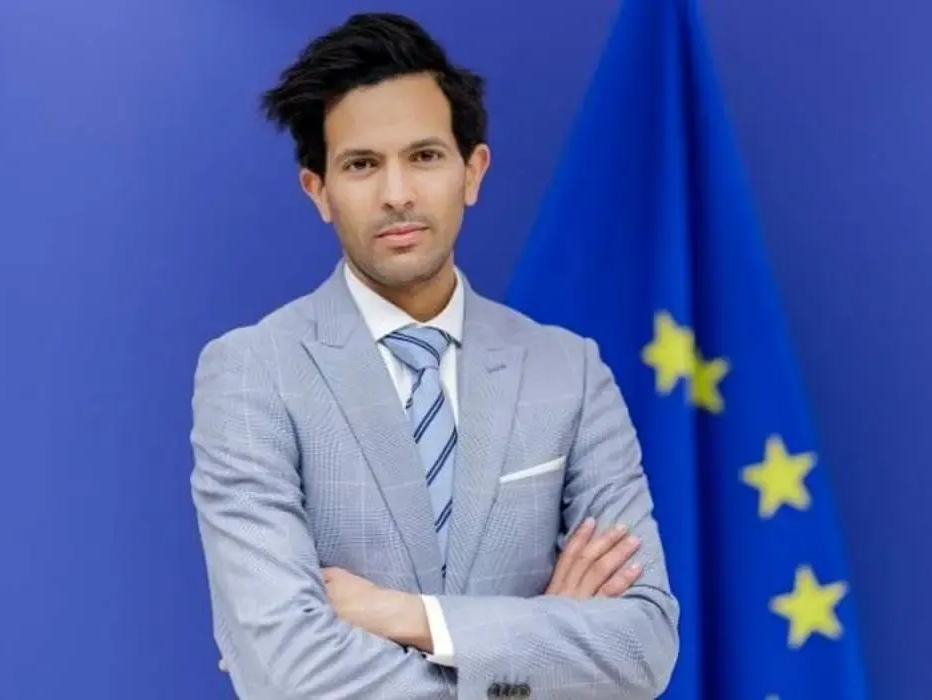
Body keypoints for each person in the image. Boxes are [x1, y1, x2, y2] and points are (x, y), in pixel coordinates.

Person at [189, 11, 678, 700]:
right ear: (318, 191)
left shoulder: (569, 373)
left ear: (472, 171)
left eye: (424, 156)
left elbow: (642, 646)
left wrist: (410, 617)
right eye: (362, 164)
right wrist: (538, 648)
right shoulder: (251, 374)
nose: (397, 194)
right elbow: (287, 671)